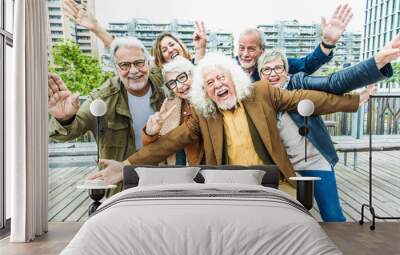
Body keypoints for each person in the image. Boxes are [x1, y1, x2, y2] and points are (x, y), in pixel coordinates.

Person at [89, 53, 370, 191]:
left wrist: (353, 102)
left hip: (274, 182)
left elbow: (305, 97)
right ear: (205, 92)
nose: (217, 84)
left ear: (233, 78)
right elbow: (169, 143)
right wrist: (126, 166)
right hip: (230, 185)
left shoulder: (261, 92)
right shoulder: (205, 115)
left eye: (221, 77)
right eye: (210, 82)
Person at [256, 34, 400, 220]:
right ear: (260, 75)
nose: (273, 74)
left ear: (286, 70)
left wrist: (378, 61)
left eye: (278, 67)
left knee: (333, 216)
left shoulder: (299, 82)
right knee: (288, 218)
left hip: (314, 160)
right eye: (266, 70)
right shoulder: (258, 97)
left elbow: (333, 82)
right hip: (283, 166)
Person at [48, 37, 165, 196]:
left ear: (148, 63)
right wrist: (64, 118)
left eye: (138, 62)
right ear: (116, 68)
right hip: (123, 185)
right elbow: (73, 129)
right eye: (124, 65)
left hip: (162, 178)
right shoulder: (102, 98)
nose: (134, 71)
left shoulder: (163, 86)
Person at [63, 0, 207, 67]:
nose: (170, 49)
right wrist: (96, 28)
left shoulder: (198, 63)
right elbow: (124, 50)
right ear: (162, 58)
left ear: (180, 46)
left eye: (171, 44)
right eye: (164, 49)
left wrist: (200, 49)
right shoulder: (160, 74)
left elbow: (201, 72)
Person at [237, 4, 353, 81]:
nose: (245, 54)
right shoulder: (228, 68)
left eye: (251, 49)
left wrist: (327, 43)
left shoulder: (275, 64)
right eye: (241, 48)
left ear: (262, 51)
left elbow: (307, 65)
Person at [142, 56, 203, 166]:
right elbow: (158, 150)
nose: (179, 86)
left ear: (192, 74)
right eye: (172, 83)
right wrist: (151, 134)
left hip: (204, 173)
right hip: (176, 173)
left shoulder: (209, 102)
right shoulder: (170, 106)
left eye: (182, 77)